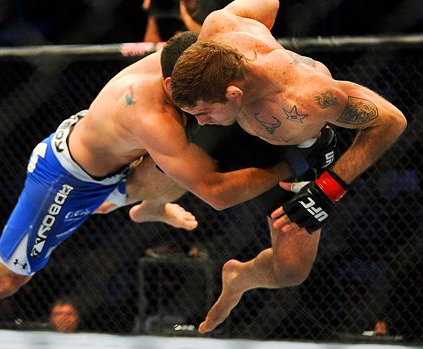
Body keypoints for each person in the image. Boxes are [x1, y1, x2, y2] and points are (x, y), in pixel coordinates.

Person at [0, 29, 302, 348]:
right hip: (66, 180)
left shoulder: (195, 57)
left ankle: (146, 205)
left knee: (184, 164)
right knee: (4, 280)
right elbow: (217, 193)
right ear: (174, 84)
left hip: (116, 161)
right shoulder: (154, 116)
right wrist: (285, 165)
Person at [168, 0, 407, 333]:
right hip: (242, 129)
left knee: (292, 271)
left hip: (297, 148)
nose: (201, 122)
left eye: (204, 112)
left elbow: (392, 121)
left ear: (234, 93)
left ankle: (240, 276)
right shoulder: (219, 27)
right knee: (167, 155)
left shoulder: (309, 97)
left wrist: (329, 189)